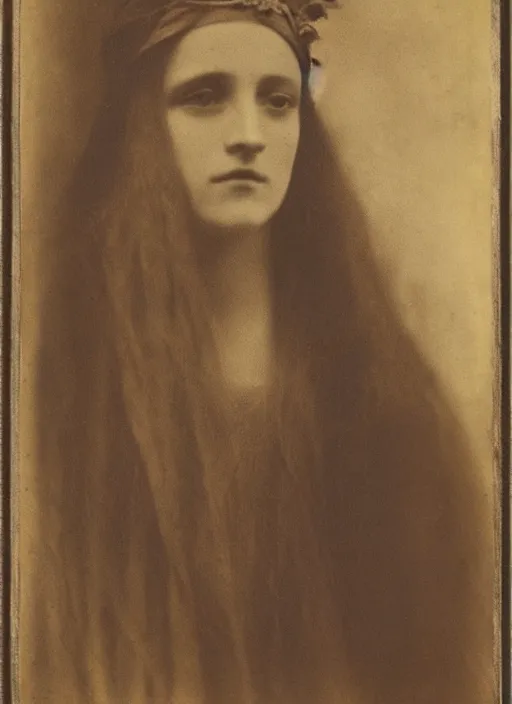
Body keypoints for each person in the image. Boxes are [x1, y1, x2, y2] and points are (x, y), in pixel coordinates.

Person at [26, 0, 493, 702]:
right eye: (204, 97)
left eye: (278, 102)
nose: (249, 135)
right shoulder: (74, 386)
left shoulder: (378, 401)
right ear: (144, 123)